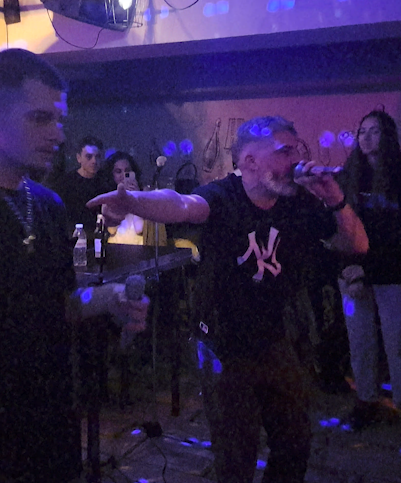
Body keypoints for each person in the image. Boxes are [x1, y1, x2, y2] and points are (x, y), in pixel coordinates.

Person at [87, 115, 368, 483]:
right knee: (237, 456)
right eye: (284, 151)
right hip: (223, 346)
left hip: (276, 340)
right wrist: (133, 200)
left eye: (296, 151)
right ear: (249, 161)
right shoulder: (223, 195)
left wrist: (334, 197)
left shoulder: (298, 201)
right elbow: (182, 204)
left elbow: (357, 244)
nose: (296, 160)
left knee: (295, 443)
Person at [0, 48, 148, 483]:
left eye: (60, 120)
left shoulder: (48, 204)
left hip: (49, 441)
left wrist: (110, 299)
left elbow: (59, 303)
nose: (57, 134)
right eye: (41, 118)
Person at [337, 109, 401, 429]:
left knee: (397, 342)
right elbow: (339, 227)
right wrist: (350, 267)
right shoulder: (348, 175)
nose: (366, 137)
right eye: (362, 131)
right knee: (359, 340)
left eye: (374, 131)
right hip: (352, 272)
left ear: (387, 136)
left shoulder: (398, 176)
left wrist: (367, 268)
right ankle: (366, 400)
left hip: (392, 273)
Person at [50, 135, 108, 239]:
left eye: (98, 156)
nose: (94, 161)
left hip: (100, 237)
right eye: (89, 157)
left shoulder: (106, 183)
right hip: (73, 238)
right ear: (78, 158)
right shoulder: (65, 183)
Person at [100, 150, 145, 244]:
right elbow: (111, 230)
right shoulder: (108, 198)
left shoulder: (144, 195)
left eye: (127, 171)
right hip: (115, 246)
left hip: (140, 246)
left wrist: (136, 195)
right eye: (118, 171)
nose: (123, 175)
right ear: (112, 175)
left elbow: (140, 228)